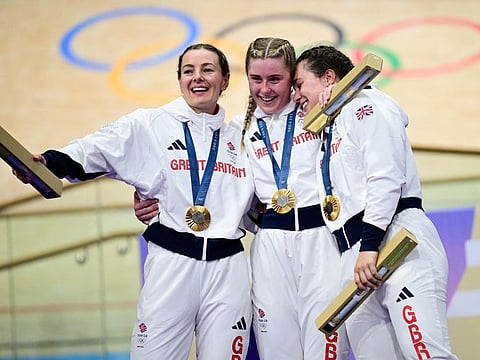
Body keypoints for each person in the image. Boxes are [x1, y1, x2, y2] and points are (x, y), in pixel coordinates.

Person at [13, 43, 255, 360]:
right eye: (188, 71)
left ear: (224, 80)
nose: (197, 78)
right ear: (180, 80)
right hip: (172, 264)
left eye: (207, 70)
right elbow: (97, 148)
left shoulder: (241, 136)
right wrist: (48, 162)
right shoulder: (150, 125)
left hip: (229, 269)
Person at [135, 37, 350, 360]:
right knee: (278, 351)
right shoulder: (237, 132)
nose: (264, 89)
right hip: (269, 249)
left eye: (275, 79)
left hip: (322, 242)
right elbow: (205, 183)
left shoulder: (317, 114)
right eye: (256, 79)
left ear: (292, 78)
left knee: (326, 347)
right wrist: (147, 195)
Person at [293, 44, 459, 359]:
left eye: (299, 84)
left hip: (394, 240)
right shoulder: (330, 128)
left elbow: (385, 179)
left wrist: (369, 246)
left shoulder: (367, 105)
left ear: (329, 77)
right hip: (355, 256)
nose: (295, 95)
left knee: (427, 354)